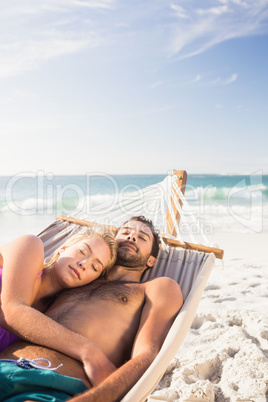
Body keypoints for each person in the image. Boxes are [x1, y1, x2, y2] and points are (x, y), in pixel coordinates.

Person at [0, 216, 183, 402]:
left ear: (151, 261)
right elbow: (16, 308)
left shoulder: (156, 288)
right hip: (4, 366)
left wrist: (94, 399)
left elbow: (147, 356)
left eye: (142, 237)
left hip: (50, 385)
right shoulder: (74, 279)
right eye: (126, 232)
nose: (131, 237)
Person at [0, 227, 117, 371]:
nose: (84, 264)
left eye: (95, 267)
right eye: (82, 251)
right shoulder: (30, 246)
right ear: (64, 248)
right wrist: (89, 351)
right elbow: (11, 311)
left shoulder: (48, 320)